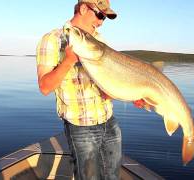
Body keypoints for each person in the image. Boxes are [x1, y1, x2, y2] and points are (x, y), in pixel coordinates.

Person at [36, 0, 144, 179]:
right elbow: (45, 87)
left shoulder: (99, 40)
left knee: (113, 176)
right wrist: (69, 61)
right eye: (100, 14)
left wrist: (133, 95)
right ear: (83, 8)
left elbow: (107, 88)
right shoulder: (52, 39)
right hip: (81, 127)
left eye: (105, 17)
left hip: (108, 121)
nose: (101, 22)